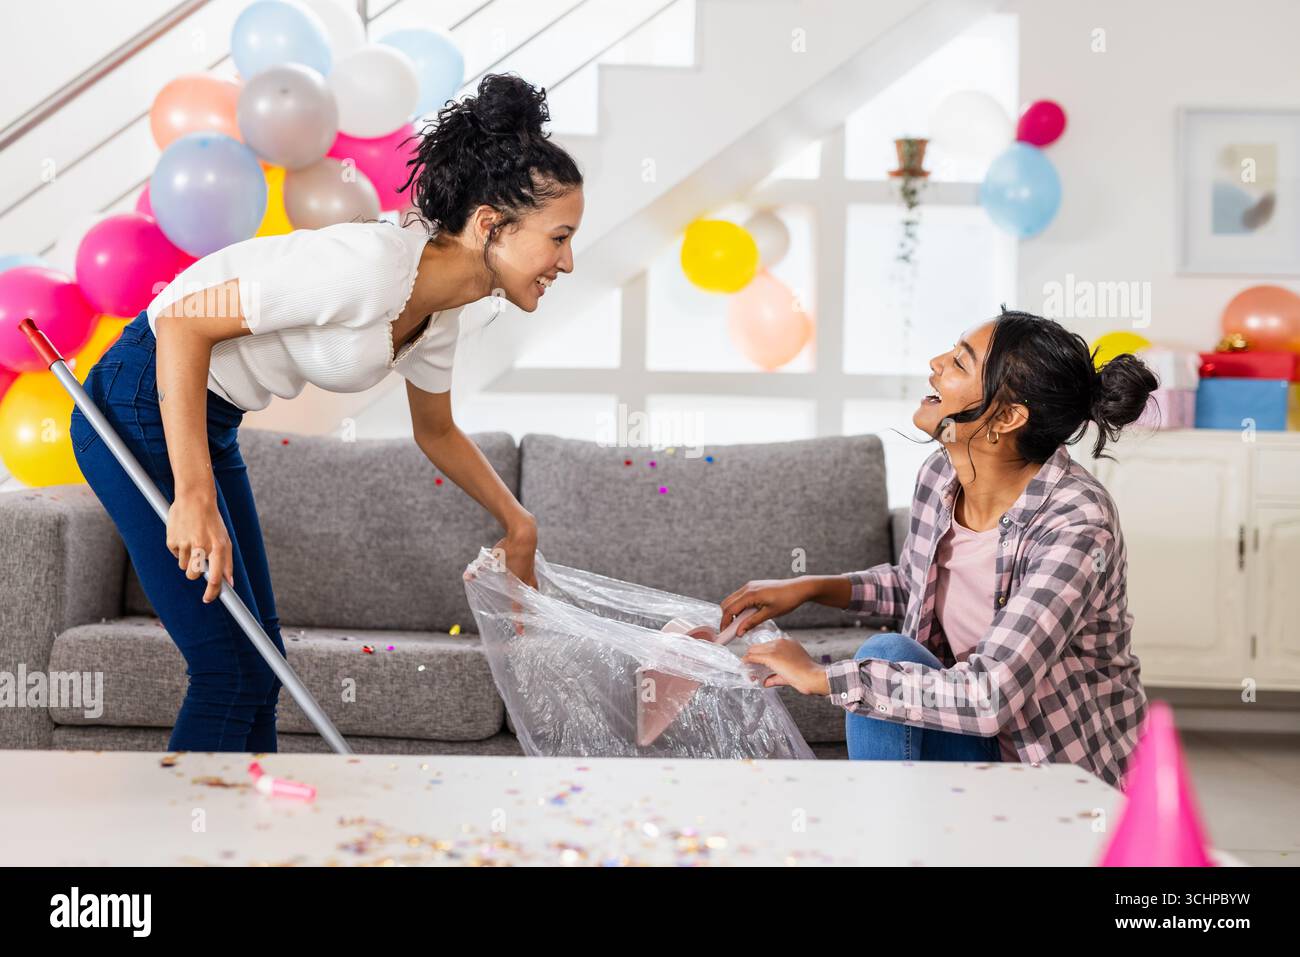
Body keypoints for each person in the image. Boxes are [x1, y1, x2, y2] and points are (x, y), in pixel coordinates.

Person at [68, 73, 583, 752]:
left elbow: (436, 430)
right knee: (229, 670)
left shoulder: (440, 309)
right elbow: (185, 325)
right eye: (559, 237)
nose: (568, 262)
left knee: (261, 666)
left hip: (208, 415)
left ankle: (246, 845)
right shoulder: (368, 266)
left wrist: (518, 519)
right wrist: (194, 495)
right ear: (491, 224)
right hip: (138, 397)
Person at [719, 308, 1157, 787]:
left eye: (960, 363)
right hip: (967, 742)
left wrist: (821, 676)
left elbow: (989, 696)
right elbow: (917, 587)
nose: (935, 363)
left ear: (1008, 417)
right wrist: (809, 587)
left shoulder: (1076, 520)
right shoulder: (941, 474)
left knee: (885, 653)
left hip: (1052, 770)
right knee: (891, 653)